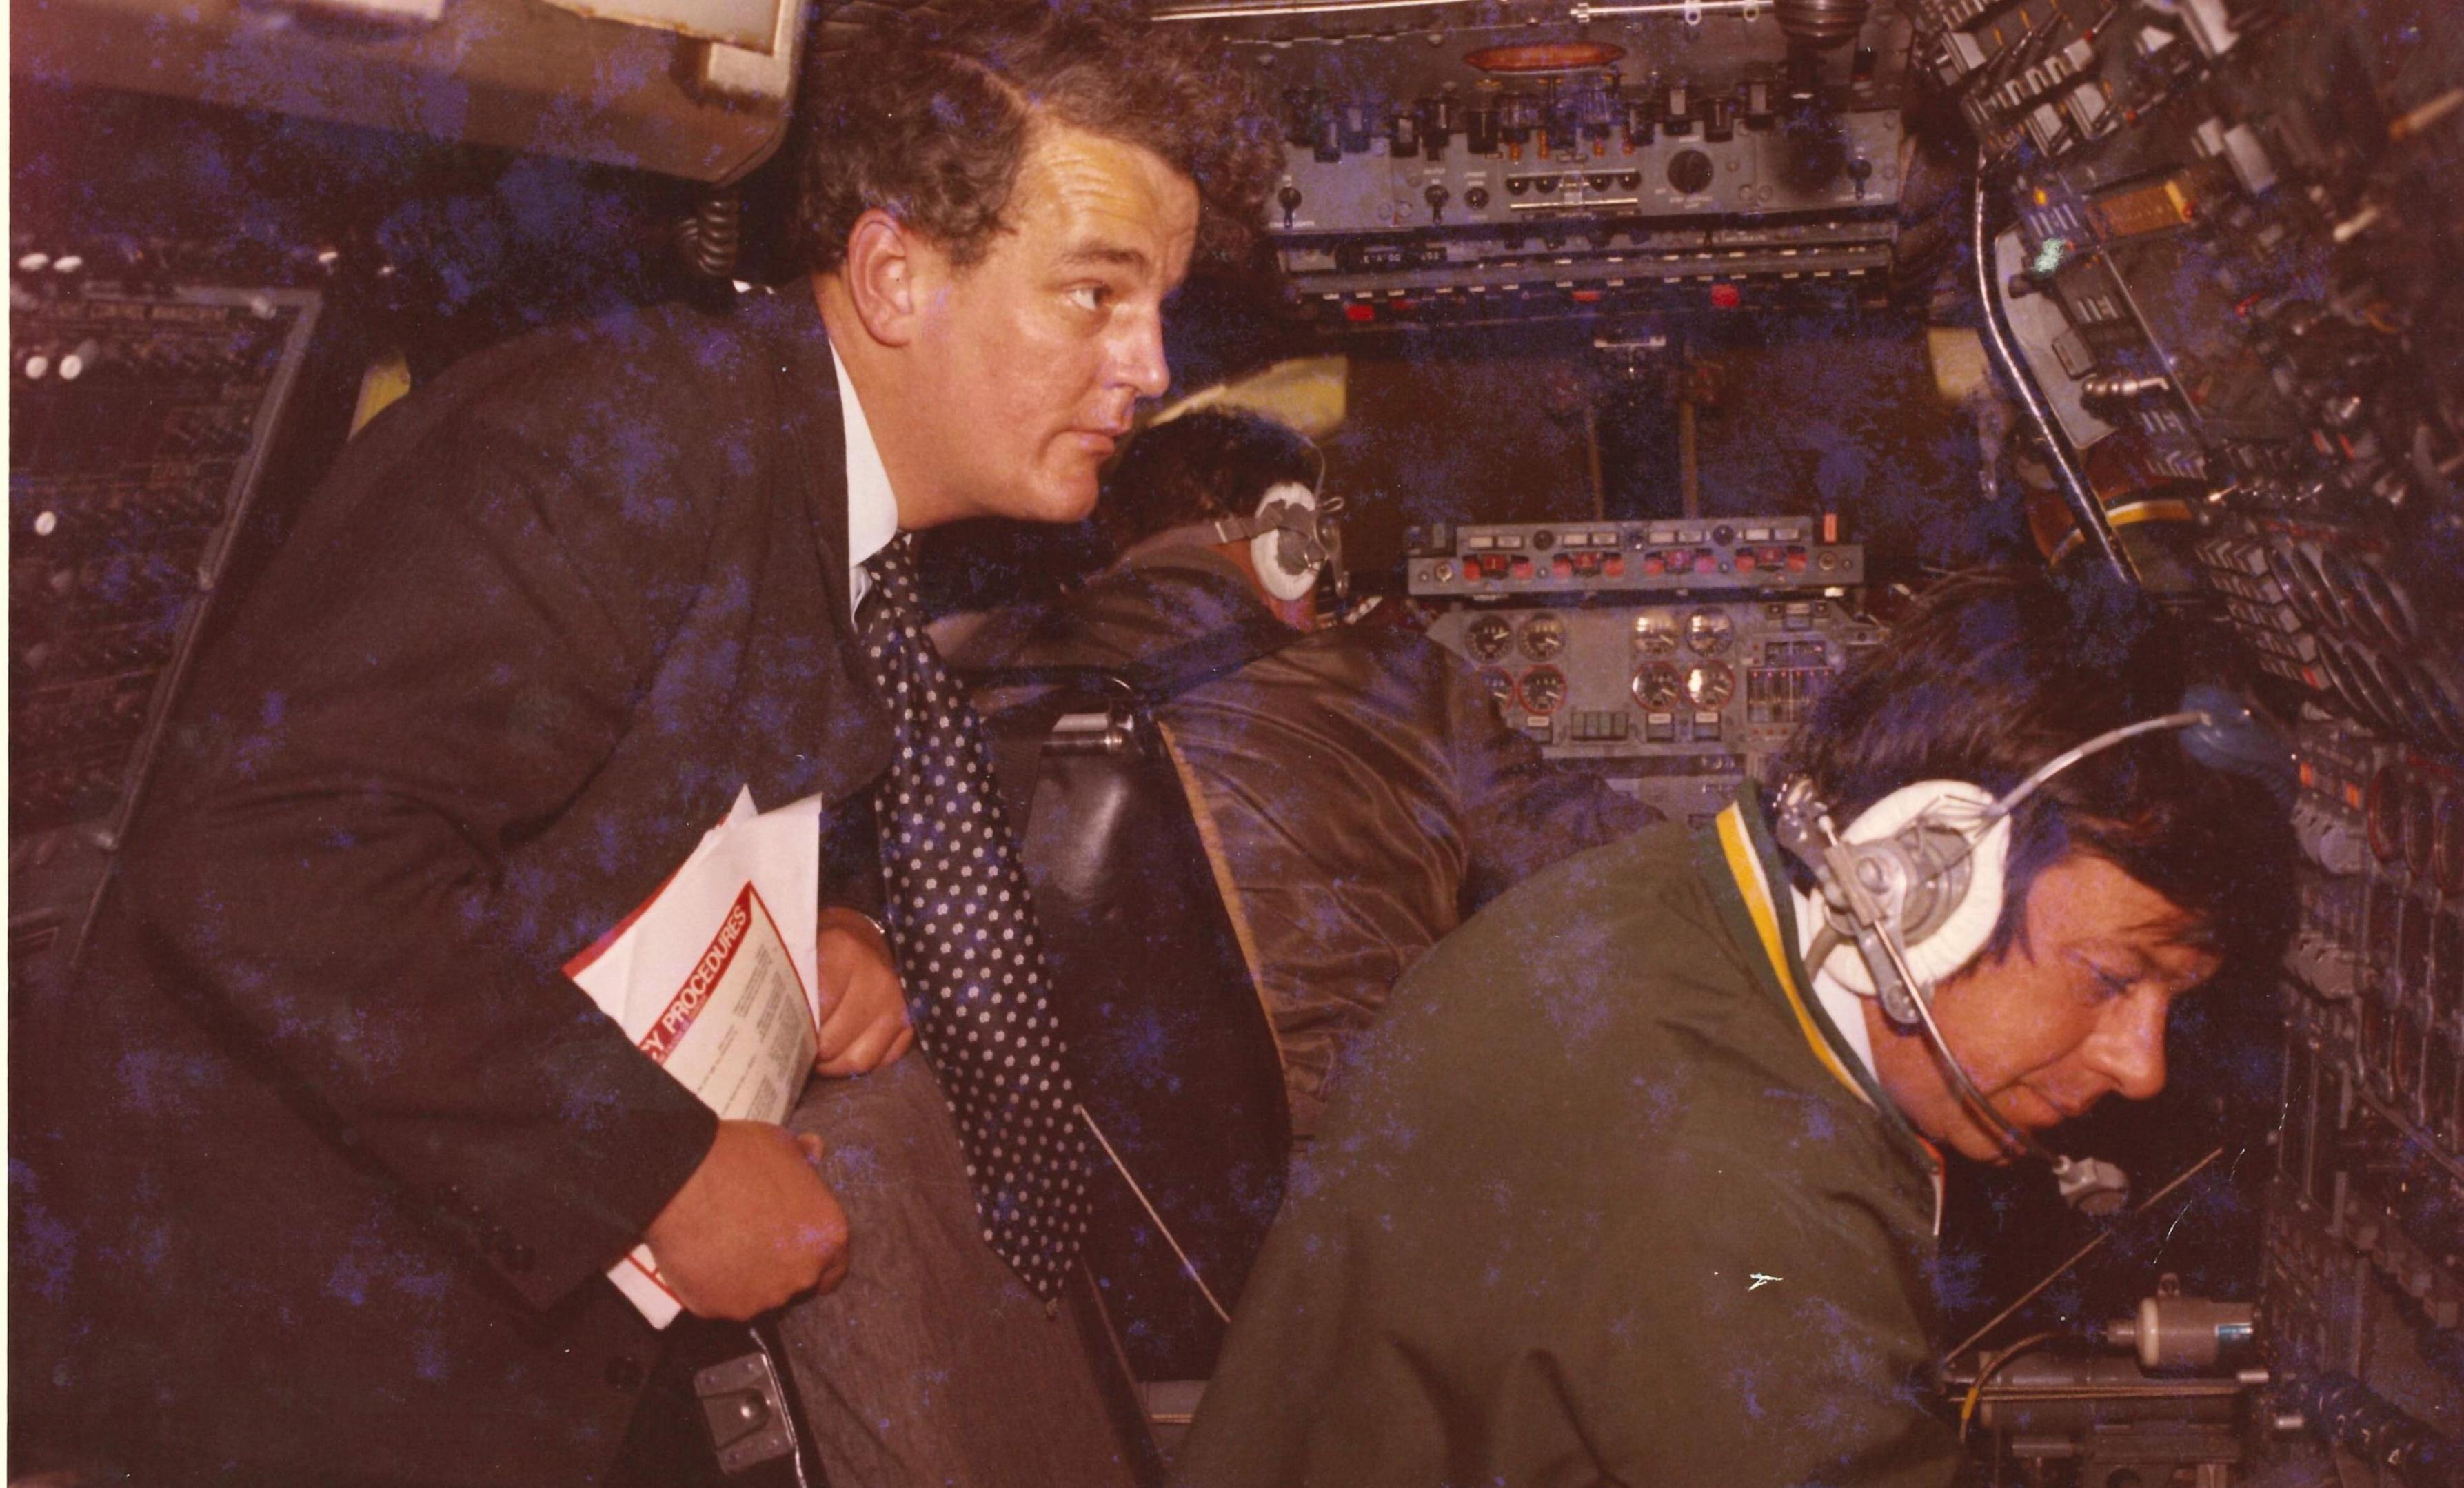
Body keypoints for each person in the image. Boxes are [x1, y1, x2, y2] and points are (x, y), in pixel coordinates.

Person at [4, 4, 1275, 1484]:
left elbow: (605, 808)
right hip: (273, 1378)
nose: (1150, 362)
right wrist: (647, 1169)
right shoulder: (619, 450)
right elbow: (272, 853)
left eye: (1158, 305)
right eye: (1094, 295)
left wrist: (822, 924)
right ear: (893, 273)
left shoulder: (801, 485)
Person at [1167, 571, 2294, 1488]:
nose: (2140, 1065)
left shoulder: (1666, 903)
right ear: (1923, 879)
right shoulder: (1736, 1190)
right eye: (2112, 978)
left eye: (2173, 1003)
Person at [947, 407, 1664, 1139]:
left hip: (1094, 1169)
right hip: (1336, 1160)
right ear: (1289, 542)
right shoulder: (1403, 682)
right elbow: (1597, 862)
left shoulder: (971, 670)